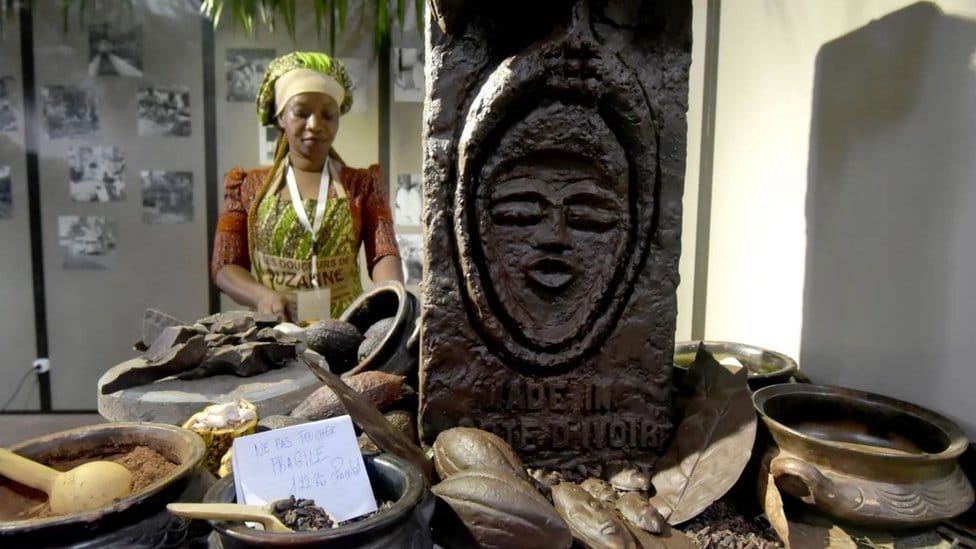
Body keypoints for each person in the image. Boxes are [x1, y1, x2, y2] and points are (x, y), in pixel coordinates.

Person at [211, 52, 403, 320]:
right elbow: (225, 265)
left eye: (328, 115)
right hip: (276, 334)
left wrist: (390, 299)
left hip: (347, 331)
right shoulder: (246, 187)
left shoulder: (362, 185)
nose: (315, 125)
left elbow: (384, 253)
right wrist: (262, 296)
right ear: (280, 117)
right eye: (301, 113)